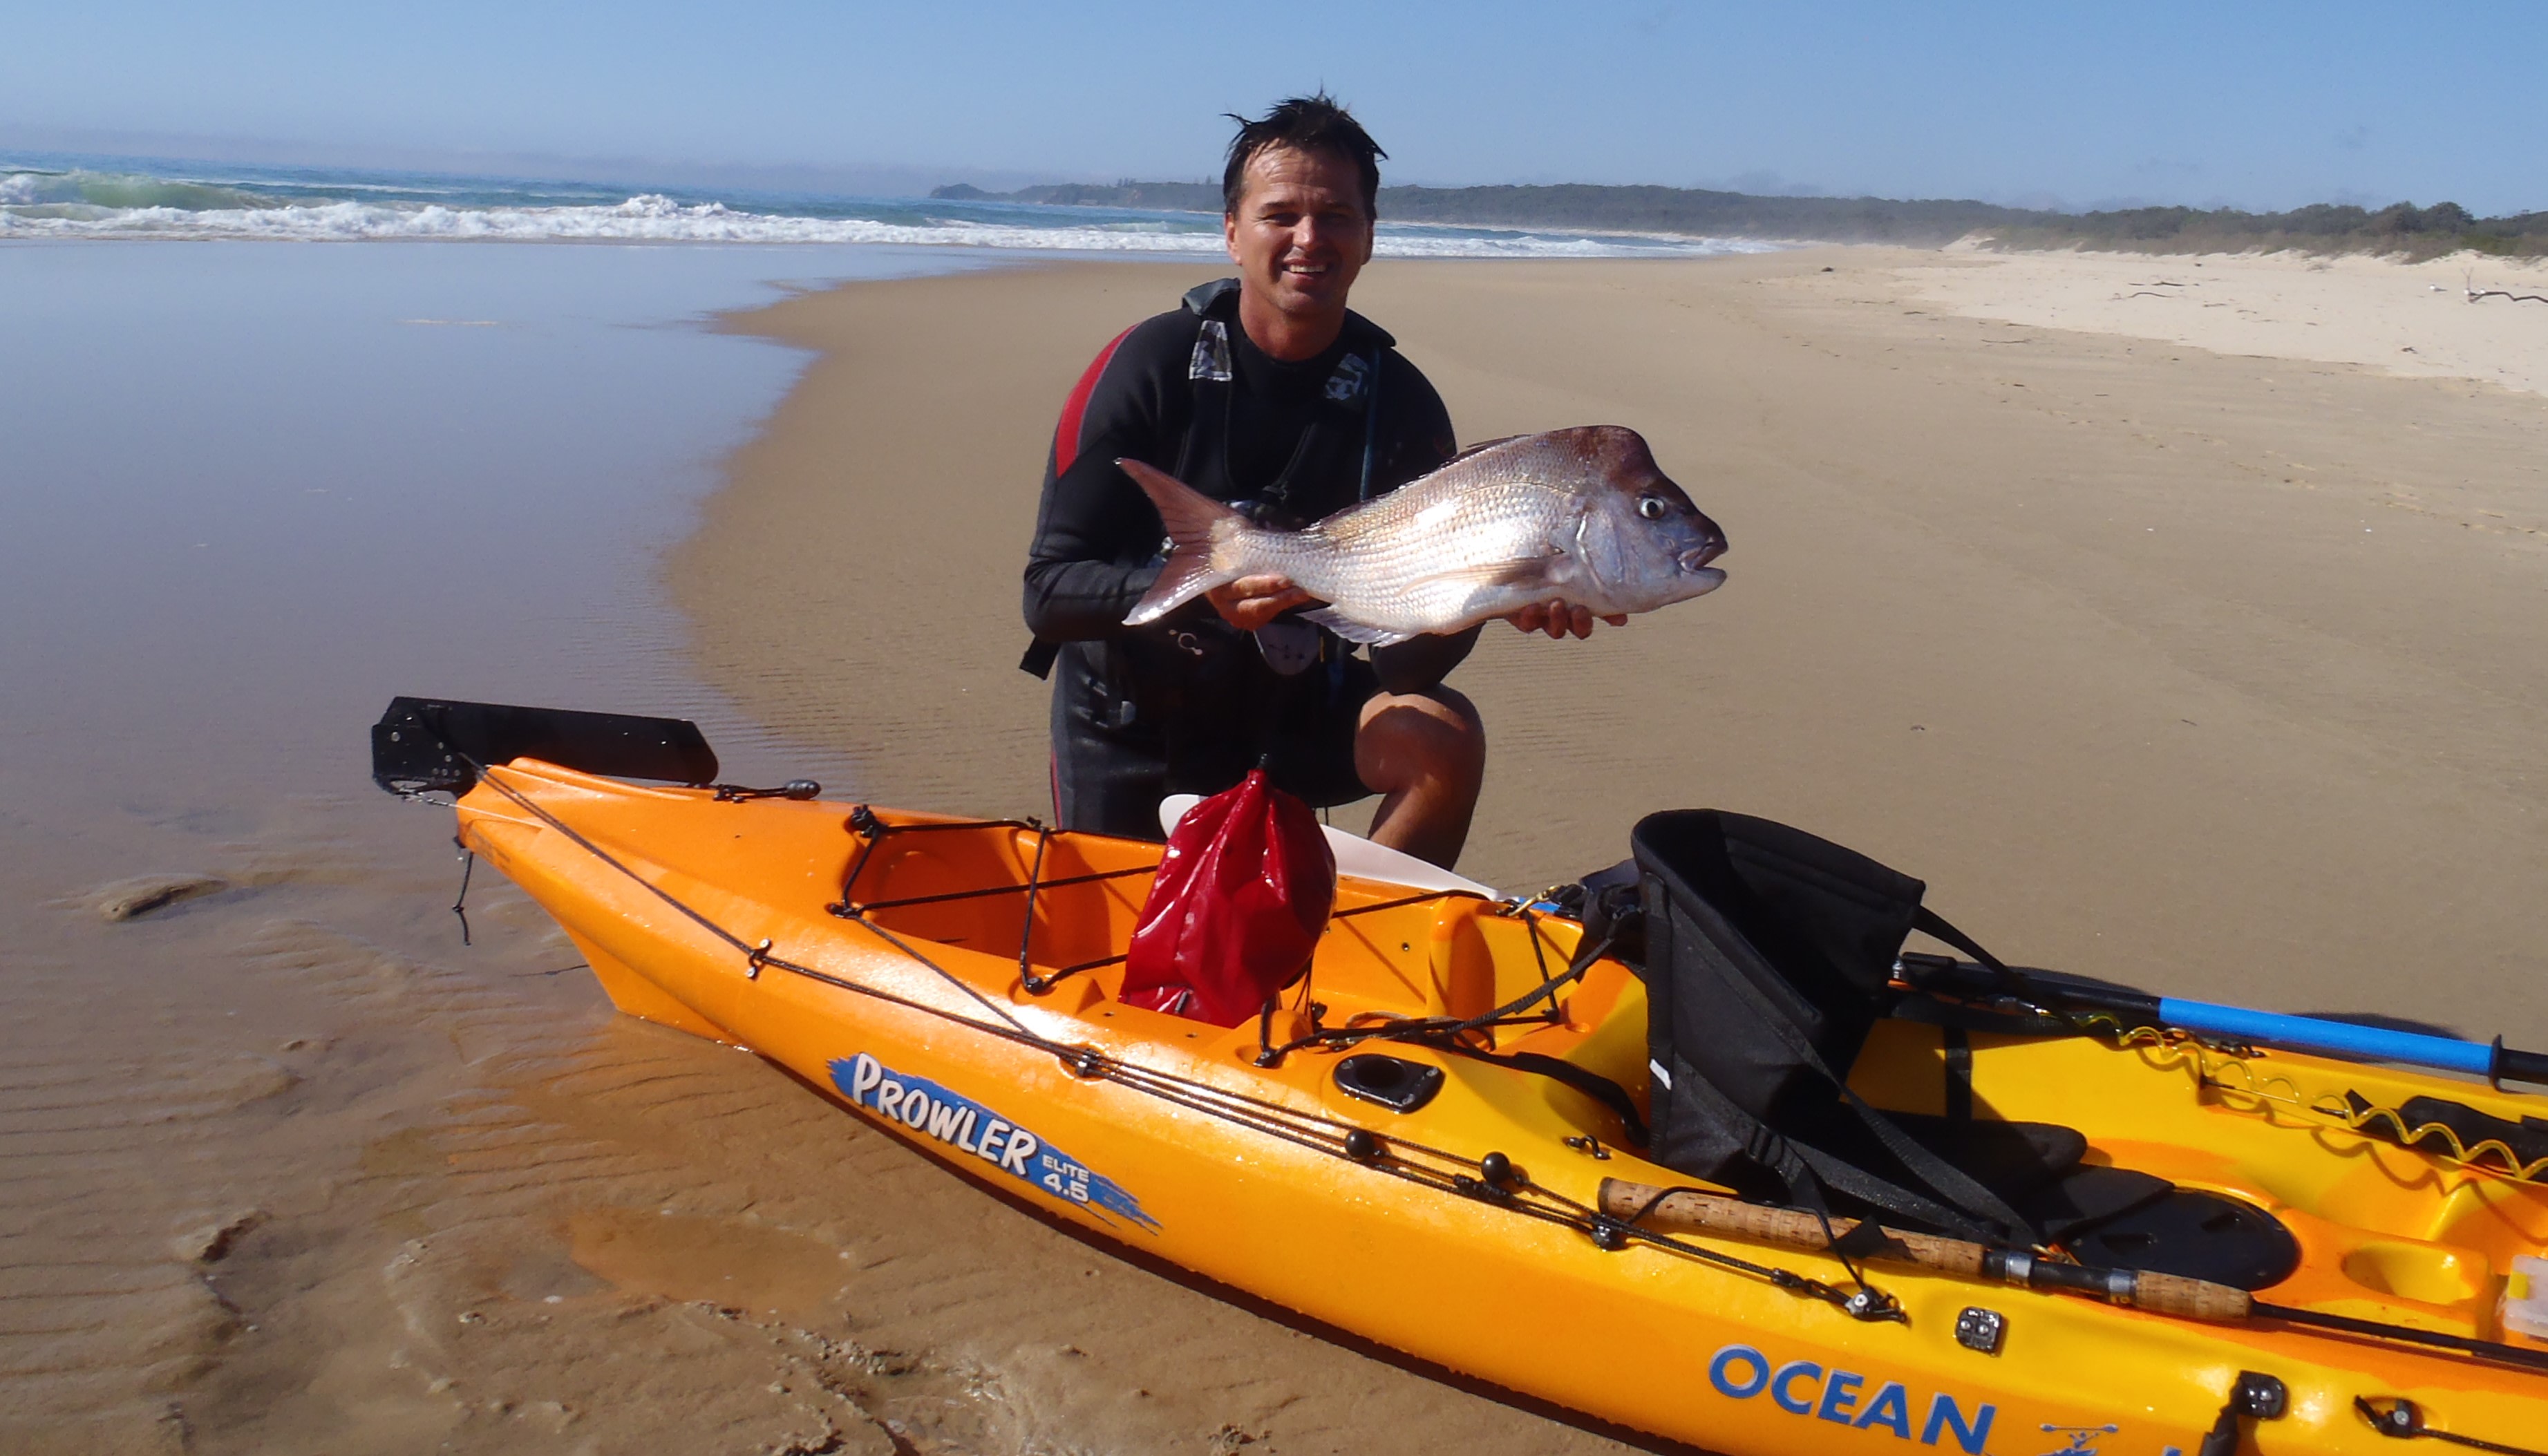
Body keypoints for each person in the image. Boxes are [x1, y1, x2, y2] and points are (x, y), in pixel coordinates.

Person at [1021, 95, 1618, 869]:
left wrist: (1495, 593)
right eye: (1280, 215)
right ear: (1232, 232)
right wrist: (1204, 590)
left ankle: (1344, 931)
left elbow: (1402, 668)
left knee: (1442, 736)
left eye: (1336, 215)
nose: (1309, 238)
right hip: (1128, 722)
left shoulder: (1400, 407)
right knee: (1125, 939)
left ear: (1369, 236)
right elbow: (1049, 590)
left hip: (1294, 710)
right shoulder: (1149, 367)